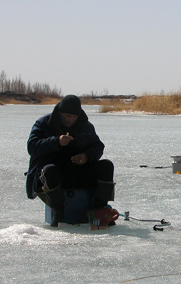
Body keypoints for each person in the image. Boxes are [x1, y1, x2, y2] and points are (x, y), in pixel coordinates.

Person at [25, 95, 115, 227]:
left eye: (74, 117)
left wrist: (87, 156)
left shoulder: (86, 126)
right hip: (53, 177)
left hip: (79, 172)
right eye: (68, 116)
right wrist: (56, 141)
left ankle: (98, 210)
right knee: (50, 170)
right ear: (60, 113)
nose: (71, 120)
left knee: (107, 165)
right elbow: (32, 147)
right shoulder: (43, 124)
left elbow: (98, 146)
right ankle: (58, 211)